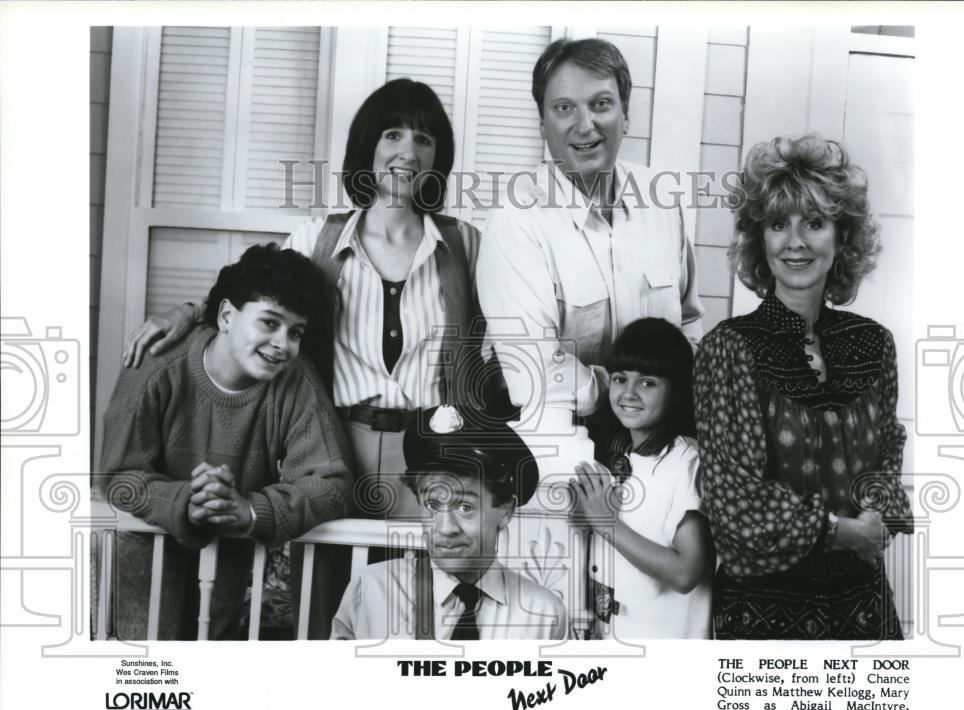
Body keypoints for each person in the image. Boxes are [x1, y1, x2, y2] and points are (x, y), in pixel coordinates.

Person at [121, 79, 499, 638]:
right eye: (392, 133)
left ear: (437, 155)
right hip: (334, 446)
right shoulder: (317, 240)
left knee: (416, 617)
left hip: (430, 454)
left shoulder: (466, 244)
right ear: (368, 145)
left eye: (423, 138)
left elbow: (512, 334)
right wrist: (186, 311)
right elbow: (253, 294)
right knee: (323, 610)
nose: (407, 151)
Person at [694, 134, 914, 640]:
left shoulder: (873, 343)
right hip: (762, 620)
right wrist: (845, 532)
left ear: (841, 239)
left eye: (813, 222)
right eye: (778, 224)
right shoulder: (729, 349)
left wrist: (878, 513)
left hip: (864, 610)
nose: (795, 241)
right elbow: (734, 505)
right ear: (759, 240)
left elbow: (887, 453)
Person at [98, 244, 353, 639]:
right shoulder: (156, 363)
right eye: (269, 322)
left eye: (296, 332)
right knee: (148, 663)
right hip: (147, 548)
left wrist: (250, 510)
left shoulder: (296, 380)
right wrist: (186, 500)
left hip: (230, 553)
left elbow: (331, 484)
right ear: (227, 316)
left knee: (213, 666)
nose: (283, 343)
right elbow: (118, 475)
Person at [477, 38, 704, 450]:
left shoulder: (663, 201)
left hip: (664, 443)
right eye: (564, 108)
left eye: (600, 104)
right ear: (542, 121)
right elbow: (532, 375)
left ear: (626, 115)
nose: (584, 125)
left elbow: (688, 323)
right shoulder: (516, 218)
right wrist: (638, 392)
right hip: (559, 445)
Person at [331, 405, 566, 640]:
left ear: (505, 512)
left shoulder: (543, 616)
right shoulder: (371, 591)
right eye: (433, 505)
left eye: (465, 507)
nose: (445, 528)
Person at [570, 318, 713, 639]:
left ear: (676, 390)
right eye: (620, 379)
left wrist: (606, 523)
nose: (629, 393)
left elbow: (685, 572)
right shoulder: (612, 454)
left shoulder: (688, 461)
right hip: (612, 639)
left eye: (647, 382)